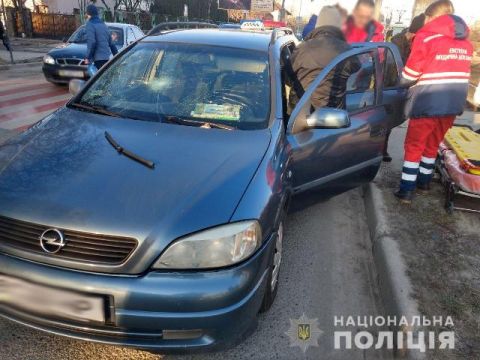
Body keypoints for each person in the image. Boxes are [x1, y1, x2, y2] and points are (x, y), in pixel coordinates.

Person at [394, 0, 473, 203]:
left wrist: (400, 80)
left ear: (431, 17)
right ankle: (424, 182)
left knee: (414, 145)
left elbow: (410, 74)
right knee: (432, 144)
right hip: (453, 104)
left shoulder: (426, 37)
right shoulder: (465, 42)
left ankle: (406, 190)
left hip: (428, 101)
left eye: (426, 17)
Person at [289, 6, 360, 110]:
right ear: (338, 25)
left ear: (318, 24)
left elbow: (288, 77)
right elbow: (357, 75)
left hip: (299, 116)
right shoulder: (348, 51)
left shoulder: (302, 48)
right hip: (333, 117)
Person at [84, 5, 118, 69]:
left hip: (97, 59)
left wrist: (88, 57)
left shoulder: (90, 24)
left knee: (96, 78)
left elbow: (92, 42)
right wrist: (117, 56)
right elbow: (111, 43)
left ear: (89, 14)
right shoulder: (103, 24)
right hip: (106, 58)